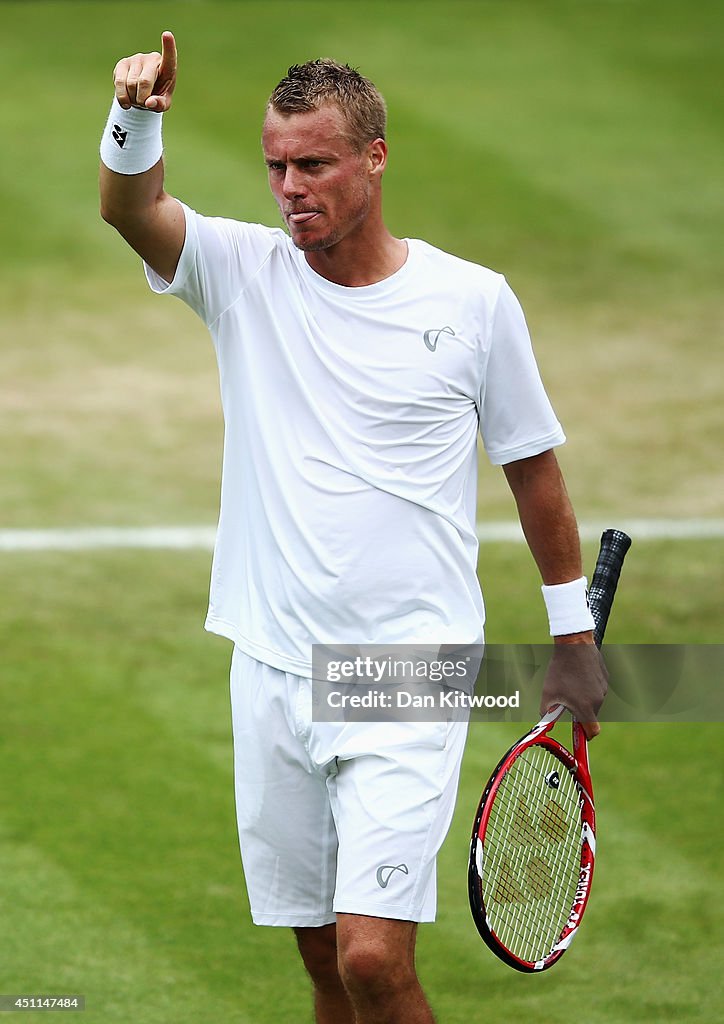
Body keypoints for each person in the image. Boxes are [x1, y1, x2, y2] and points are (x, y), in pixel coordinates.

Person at [99, 32, 607, 1024]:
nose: (290, 188)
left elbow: (533, 472)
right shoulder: (245, 275)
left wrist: (571, 637)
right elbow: (131, 207)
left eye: (315, 164)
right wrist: (137, 116)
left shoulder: (471, 302)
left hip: (405, 671)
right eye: (276, 167)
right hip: (273, 666)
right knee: (326, 962)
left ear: (374, 158)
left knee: (375, 961)